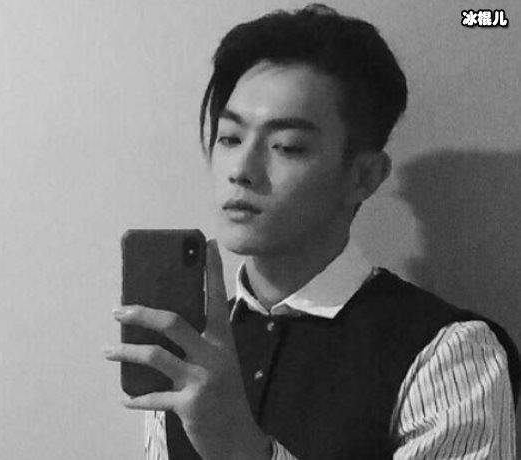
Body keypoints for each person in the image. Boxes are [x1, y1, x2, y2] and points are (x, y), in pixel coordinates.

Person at [104, 4, 520, 459]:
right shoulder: (188, 346)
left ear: (363, 177)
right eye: (230, 138)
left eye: (287, 146)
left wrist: (243, 450)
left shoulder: (448, 353)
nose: (241, 169)